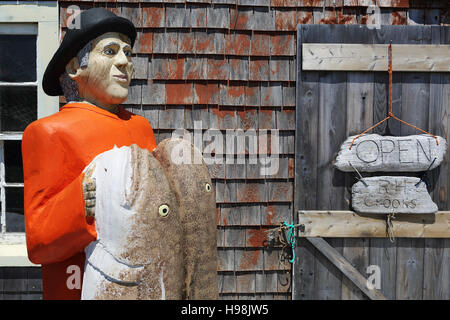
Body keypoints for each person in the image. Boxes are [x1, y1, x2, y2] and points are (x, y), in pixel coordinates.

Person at [21, 8, 156, 300]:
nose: (124, 62)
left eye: (128, 54)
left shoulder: (142, 129)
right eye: (110, 51)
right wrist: (83, 201)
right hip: (77, 289)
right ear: (73, 67)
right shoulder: (48, 132)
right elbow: (38, 243)